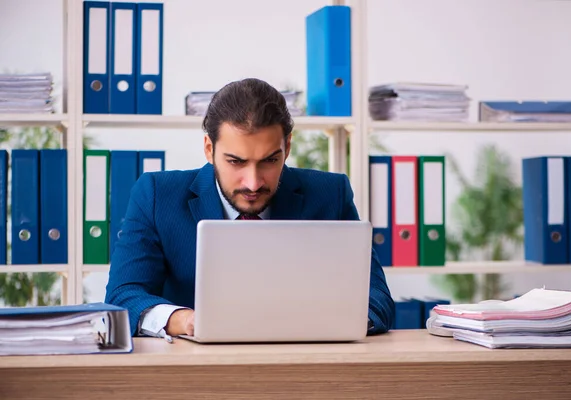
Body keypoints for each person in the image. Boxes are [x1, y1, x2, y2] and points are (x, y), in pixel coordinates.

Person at [105, 78, 395, 338]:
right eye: (236, 162)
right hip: (192, 369)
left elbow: (377, 298)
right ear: (209, 149)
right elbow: (123, 296)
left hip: (305, 365)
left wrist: (338, 322)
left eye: (270, 160)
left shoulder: (330, 195)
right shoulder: (157, 195)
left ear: (287, 148)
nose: (253, 183)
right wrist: (185, 320)